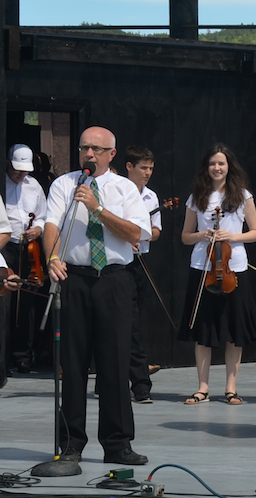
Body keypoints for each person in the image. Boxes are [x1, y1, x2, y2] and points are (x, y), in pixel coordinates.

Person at [43, 126, 152, 465]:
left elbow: (136, 233)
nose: (89, 154)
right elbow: (51, 226)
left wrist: (97, 208)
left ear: (111, 155)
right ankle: (71, 443)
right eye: (84, 148)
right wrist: (52, 257)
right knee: (73, 365)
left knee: (115, 364)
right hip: (74, 278)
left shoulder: (125, 189)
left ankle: (118, 444)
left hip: (114, 280)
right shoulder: (64, 184)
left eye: (96, 149)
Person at [178, 144, 256, 406]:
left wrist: (232, 236)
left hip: (233, 268)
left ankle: (230, 387)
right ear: (206, 167)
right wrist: (202, 235)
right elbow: (185, 237)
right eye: (213, 163)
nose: (217, 168)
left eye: (222, 163)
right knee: (203, 329)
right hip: (203, 268)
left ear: (229, 167)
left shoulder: (242, 195)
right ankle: (202, 387)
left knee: (234, 330)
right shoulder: (197, 197)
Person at [123, 146, 161, 404]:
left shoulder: (151, 197)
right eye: (143, 168)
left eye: (150, 168)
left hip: (139, 261)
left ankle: (134, 380)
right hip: (118, 263)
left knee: (134, 323)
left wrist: (141, 235)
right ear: (129, 167)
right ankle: (139, 384)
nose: (148, 173)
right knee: (125, 325)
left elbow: (156, 231)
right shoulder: (115, 191)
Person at [2, 144, 45, 374]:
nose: (21, 175)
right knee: (6, 302)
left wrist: (37, 230)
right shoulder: (2, 184)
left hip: (28, 248)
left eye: (25, 171)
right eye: (17, 170)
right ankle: (4, 356)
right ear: (8, 163)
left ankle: (23, 356)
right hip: (5, 247)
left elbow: (43, 215)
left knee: (26, 304)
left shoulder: (34, 186)